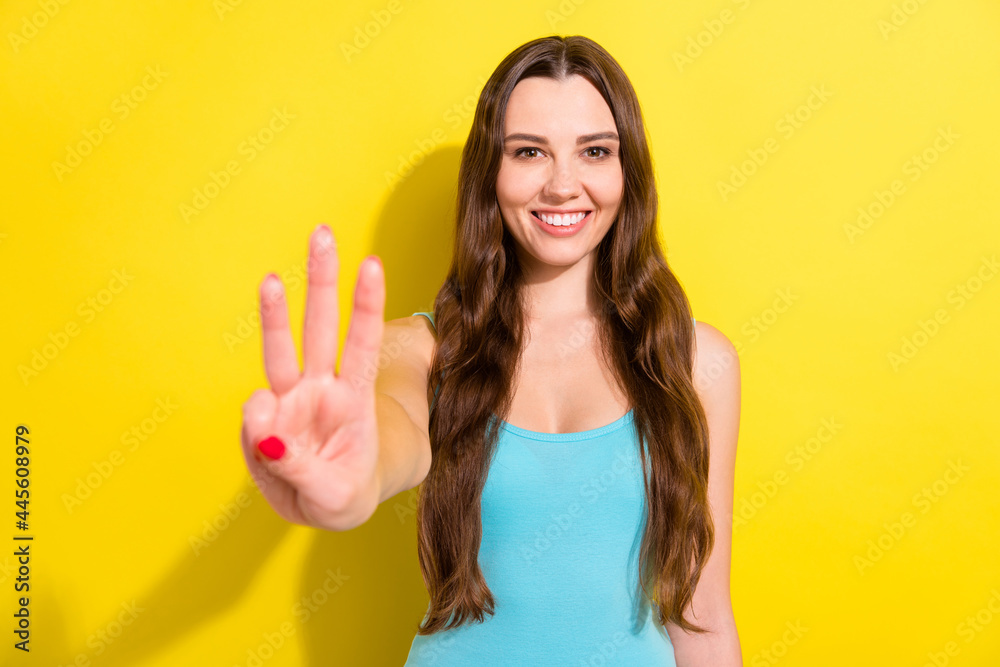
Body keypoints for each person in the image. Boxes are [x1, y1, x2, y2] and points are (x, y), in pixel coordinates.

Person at [240, 34, 742, 666]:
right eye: (529, 151)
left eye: (594, 151)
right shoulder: (418, 348)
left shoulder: (698, 364)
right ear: (491, 172)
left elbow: (704, 620)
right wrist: (354, 479)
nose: (563, 185)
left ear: (627, 171)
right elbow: (396, 441)